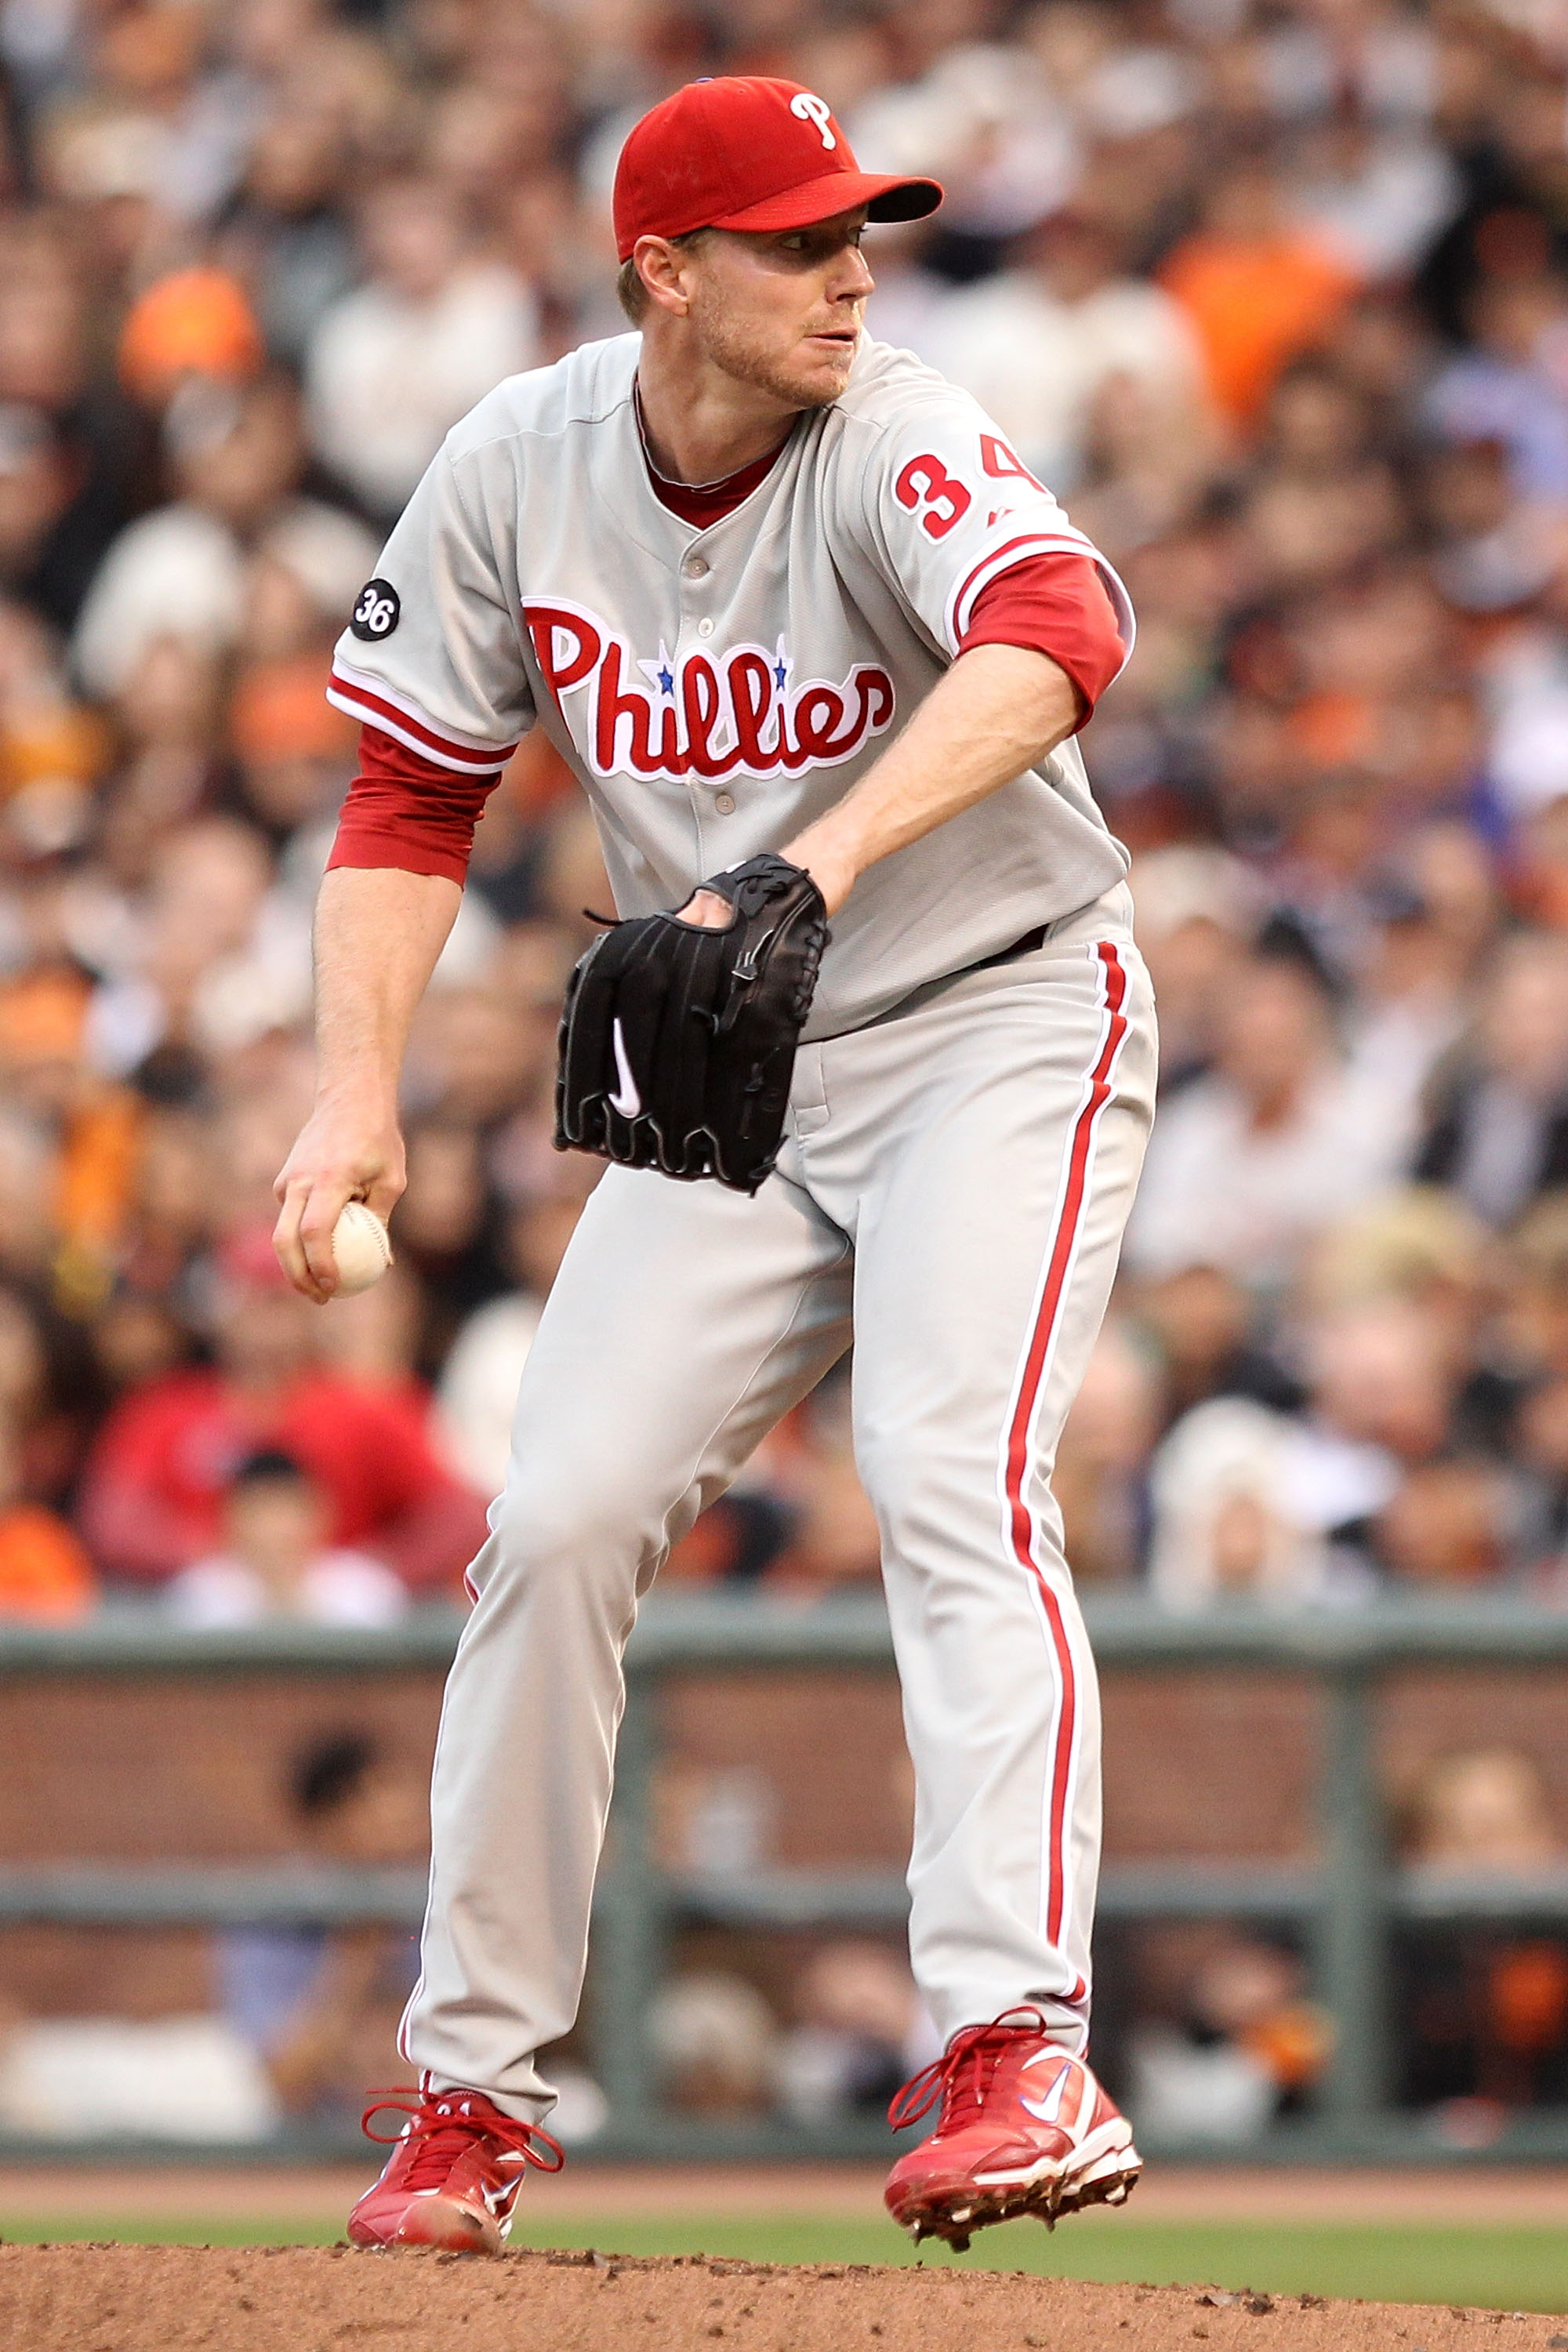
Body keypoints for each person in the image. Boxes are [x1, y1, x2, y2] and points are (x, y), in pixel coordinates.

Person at [274, 77, 1156, 2256]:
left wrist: (814, 864)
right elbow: (406, 802)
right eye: (795, 236)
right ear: (666, 270)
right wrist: (350, 1092)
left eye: (862, 225)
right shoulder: (517, 461)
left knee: (952, 1472)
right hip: (739, 1065)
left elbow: (1065, 636)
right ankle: (469, 2095)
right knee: (555, 1517)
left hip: (1001, 1015)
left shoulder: (893, 422)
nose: (852, 264)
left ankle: (1018, 2046)